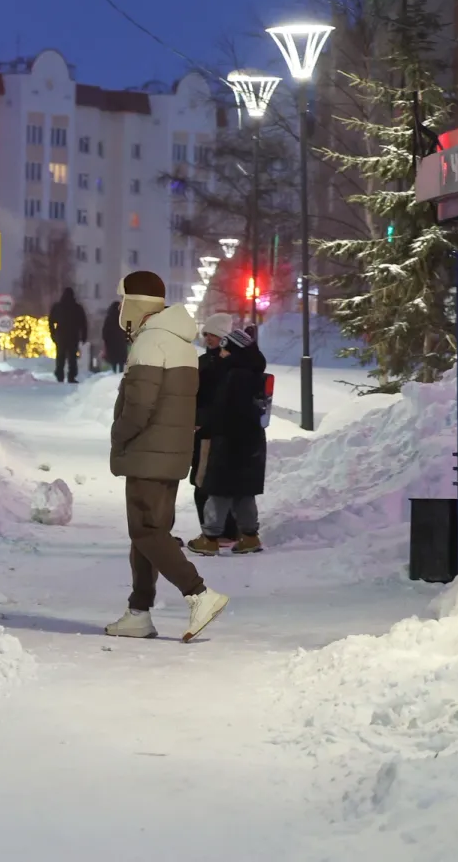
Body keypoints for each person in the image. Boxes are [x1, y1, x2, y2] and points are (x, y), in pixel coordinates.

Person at [105, 270, 229, 642]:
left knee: (145, 530)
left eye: (124, 299)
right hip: (170, 453)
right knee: (149, 533)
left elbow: (139, 406)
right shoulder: (180, 343)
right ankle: (138, 612)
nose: (121, 308)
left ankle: (199, 594)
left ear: (136, 303)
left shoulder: (150, 343)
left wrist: (119, 433)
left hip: (147, 452)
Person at [189, 326, 267, 556]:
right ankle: (250, 536)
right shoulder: (251, 372)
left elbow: (225, 410)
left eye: (226, 349)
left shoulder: (236, 375)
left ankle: (210, 537)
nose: (221, 354)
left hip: (230, 441)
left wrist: (207, 426)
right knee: (243, 492)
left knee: (218, 489)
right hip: (249, 441)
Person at [191, 313, 238, 544]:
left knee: (205, 484)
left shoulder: (223, 365)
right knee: (208, 484)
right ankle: (221, 531)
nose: (208, 338)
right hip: (205, 430)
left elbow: (214, 399)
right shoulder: (206, 361)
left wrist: (202, 419)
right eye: (206, 334)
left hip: (210, 432)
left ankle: (214, 533)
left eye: (213, 334)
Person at [48, 287, 88, 384]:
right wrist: (83, 336)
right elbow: (83, 323)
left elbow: (51, 321)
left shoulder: (57, 307)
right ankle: (71, 376)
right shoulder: (77, 308)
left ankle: (59, 375)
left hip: (61, 335)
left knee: (60, 356)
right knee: (72, 358)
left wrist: (53, 334)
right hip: (73, 335)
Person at [102, 301, 128, 374]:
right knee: (121, 360)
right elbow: (128, 328)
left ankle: (114, 372)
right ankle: (120, 372)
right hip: (121, 342)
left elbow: (105, 331)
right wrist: (128, 339)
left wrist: (105, 340)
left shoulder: (109, 318)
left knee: (114, 359)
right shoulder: (123, 317)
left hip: (111, 343)